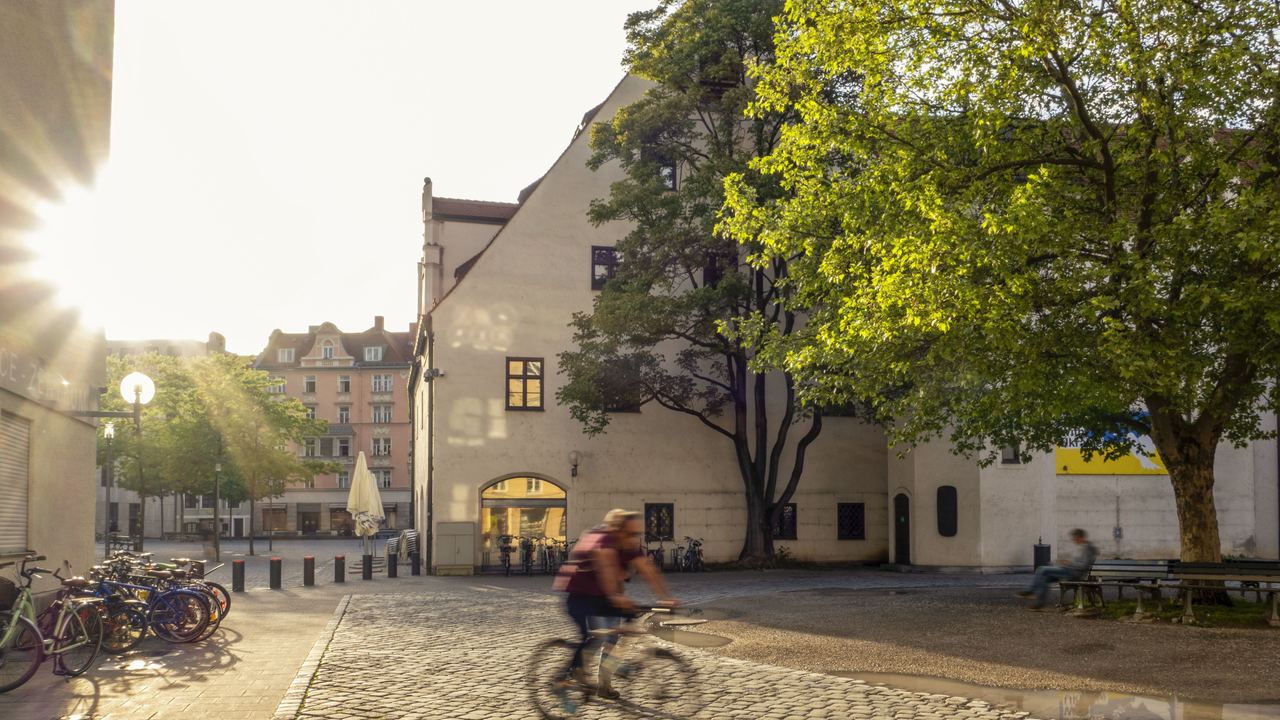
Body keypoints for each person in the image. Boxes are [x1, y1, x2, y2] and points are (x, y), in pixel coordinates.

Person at [553, 509, 677, 699]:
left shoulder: (629, 545)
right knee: (599, 635)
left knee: (615, 638)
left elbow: (648, 569)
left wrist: (665, 597)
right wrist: (615, 596)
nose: (634, 538)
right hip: (579, 595)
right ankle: (572, 671)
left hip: (604, 595)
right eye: (630, 533)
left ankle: (604, 684)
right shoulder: (604, 540)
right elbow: (607, 568)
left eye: (637, 534)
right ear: (617, 531)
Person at [1016, 528, 1098, 609]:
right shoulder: (1082, 546)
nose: (1074, 540)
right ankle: (1040, 603)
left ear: (1081, 537)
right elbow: (1078, 562)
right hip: (1070, 571)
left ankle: (1032, 591)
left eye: (1075, 538)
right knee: (1045, 577)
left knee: (1041, 569)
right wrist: (1065, 562)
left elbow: (1083, 565)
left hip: (1074, 574)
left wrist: (1069, 563)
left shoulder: (1088, 548)